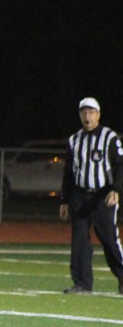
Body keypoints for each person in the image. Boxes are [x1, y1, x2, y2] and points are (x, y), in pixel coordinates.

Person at [59, 97, 123, 295]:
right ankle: (82, 282)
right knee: (79, 239)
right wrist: (64, 200)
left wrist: (116, 190)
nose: (87, 116)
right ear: (80, 115)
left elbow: (120, 166)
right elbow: (69, 172)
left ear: (98, 114)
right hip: (79, 195)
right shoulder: (74, 140)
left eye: (91, 112)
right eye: (84, 112)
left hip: (103, 195)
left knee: (109, 238)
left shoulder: (109, 138)